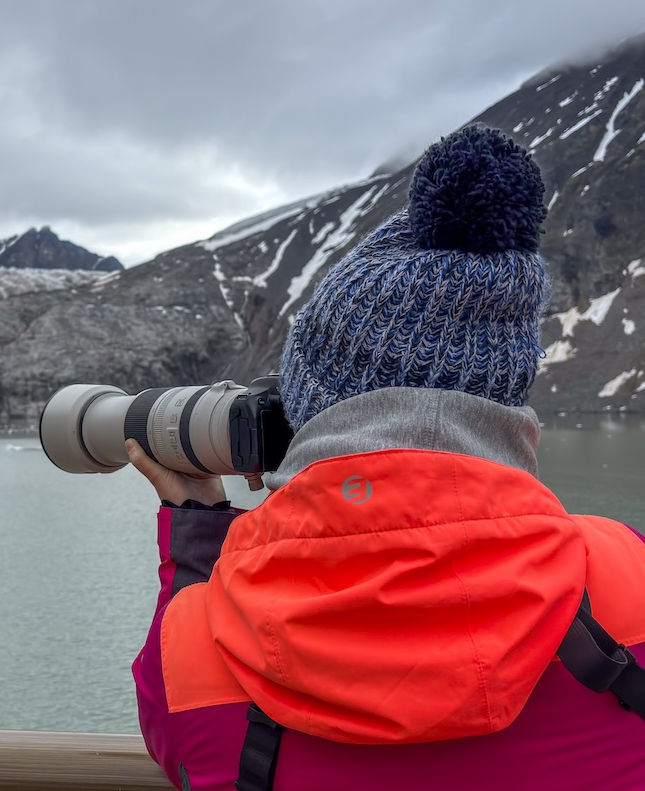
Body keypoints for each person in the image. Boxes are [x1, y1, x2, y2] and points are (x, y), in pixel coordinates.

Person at [126, 124, 645, 791]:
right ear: (509, 404)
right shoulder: (627, 577)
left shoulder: (193, 649)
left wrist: (197, 538)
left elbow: (180, 744)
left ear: (309, 409)